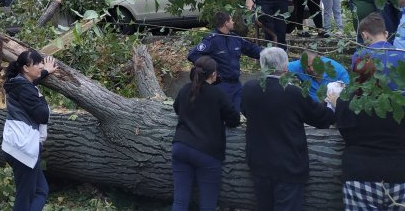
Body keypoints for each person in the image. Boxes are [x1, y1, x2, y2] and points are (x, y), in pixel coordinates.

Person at [241, 47, 335, 210]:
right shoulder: (293, 93)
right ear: (285, 67)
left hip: (259, 164)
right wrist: (332, 103)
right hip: (288, 167)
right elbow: (322, 119)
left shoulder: (249, 88)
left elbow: (244, 110)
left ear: (263, 66)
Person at [172, 56, 241, 211]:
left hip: (180, 147)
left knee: (180, 202)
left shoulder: (184, 89)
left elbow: (176, 108)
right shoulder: (218, 94)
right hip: (207, 153)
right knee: (207, 205)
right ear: (214, 74)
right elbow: (234, 119)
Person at [334, 60, 405, 209]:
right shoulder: (398, 99)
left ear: (355, 75)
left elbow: (345, 133)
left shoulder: (346, 100)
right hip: (399, 171)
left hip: (359, 173)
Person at [1, 50, 57, 211]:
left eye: (41, 63)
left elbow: (30, 87)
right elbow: (43, 115)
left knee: (41, 190)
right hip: (23, 148)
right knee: (24, 199)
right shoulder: (25, 88)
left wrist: (46, 71)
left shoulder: (18, 83)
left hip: (17, 146)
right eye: (37, 63)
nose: (41, 65)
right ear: (26, 68)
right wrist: (42, 98)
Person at [188, 11, 261, 111]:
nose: (233, 22)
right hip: (221, 85)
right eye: (231, 20)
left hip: (236, 85)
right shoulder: (211, 40)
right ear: (226, 23)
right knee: (223, 115)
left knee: (239, 114)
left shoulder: (235, 38)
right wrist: (209, 69)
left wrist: (271, 53)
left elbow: (252, 50)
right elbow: (193, 55)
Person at [352, 12, 405, 90]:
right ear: (386, 34)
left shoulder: (359, 56)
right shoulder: (402, 53)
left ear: (364, 35)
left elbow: (358, 83)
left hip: (373, 99)